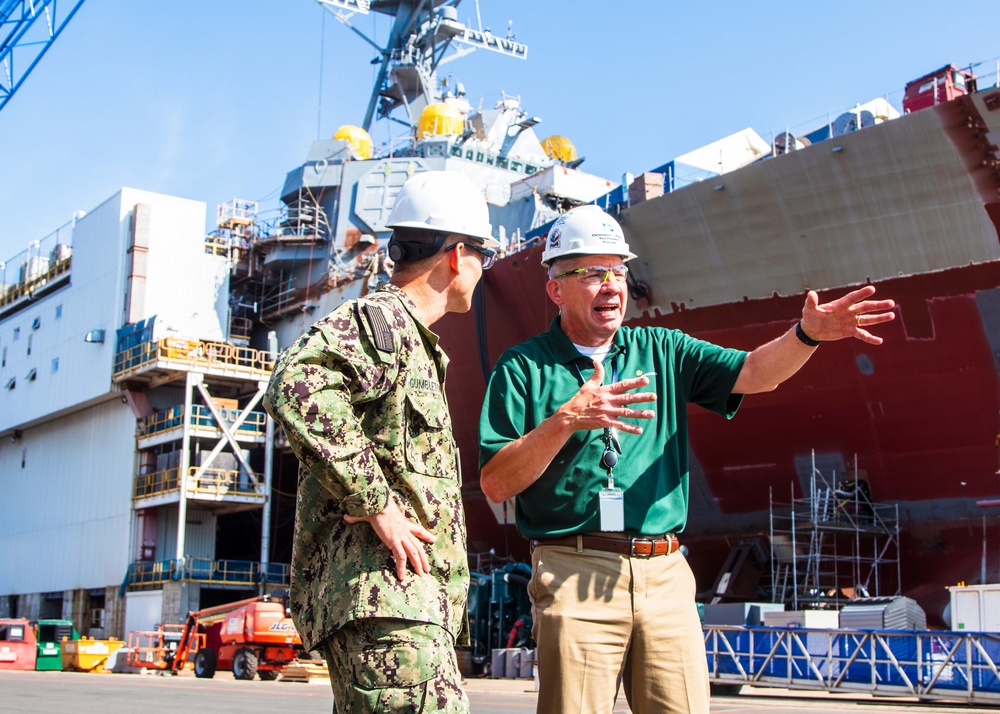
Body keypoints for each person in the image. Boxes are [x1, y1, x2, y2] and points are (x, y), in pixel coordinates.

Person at [478, 204, 895, 714]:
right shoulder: (523, 368)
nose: (610, 285)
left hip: (666, 573)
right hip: (573, 569)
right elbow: (497, 484)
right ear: (555, 288)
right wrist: (566, 420)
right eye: (590, 272)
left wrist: (806, 335)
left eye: (618, 270)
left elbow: (755, 372)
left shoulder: (663, 349)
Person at [265, 170, 499, 712]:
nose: (483, 271)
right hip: (387, 601)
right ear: (458, 256)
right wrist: (378, 505)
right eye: (483, 256)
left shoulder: (411, 339)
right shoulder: (382, 321)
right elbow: (297, 386)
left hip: (401, 603)